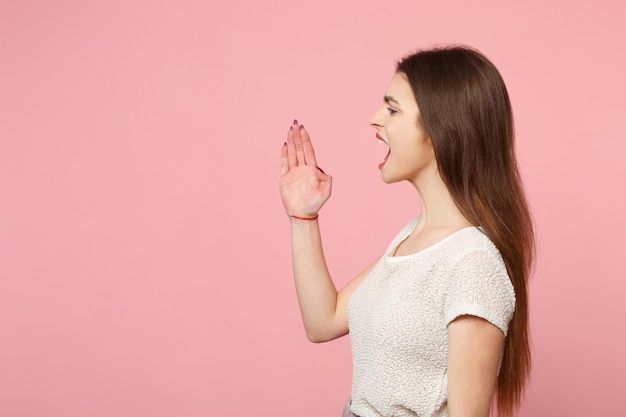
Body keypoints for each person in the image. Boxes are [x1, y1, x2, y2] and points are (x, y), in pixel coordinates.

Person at [279, 45, 534, 417]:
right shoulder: (410, 237)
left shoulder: (473, 264)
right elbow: (323, 321)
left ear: (441, 127)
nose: (374, 119)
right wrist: (303, 217)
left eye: (393, 109)